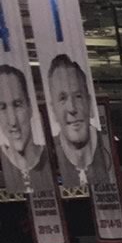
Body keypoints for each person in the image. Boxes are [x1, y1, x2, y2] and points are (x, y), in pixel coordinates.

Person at [45, 55, 116, 190]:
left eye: (78, 96)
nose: (72, 108)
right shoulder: (46, 156)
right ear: (53, 110)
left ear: (89, 103)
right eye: (62, 99)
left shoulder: (107, 145)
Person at [0, 64, 48, 190]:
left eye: (17, 105)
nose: (12, 121)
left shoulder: (51, 156)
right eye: (2, 108)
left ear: (30, 107)